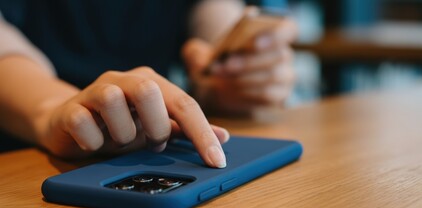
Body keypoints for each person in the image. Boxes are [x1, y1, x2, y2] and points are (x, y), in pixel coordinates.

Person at [0, 0, 296, 168]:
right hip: (23, 157)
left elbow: (208, 10)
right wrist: (50, 109)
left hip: (153, 142)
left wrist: (239, 64)